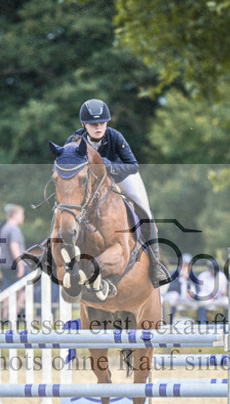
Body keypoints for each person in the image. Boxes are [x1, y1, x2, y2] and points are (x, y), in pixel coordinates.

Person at [67, 98, 170, 285]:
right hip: (90, 183)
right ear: (84, 125)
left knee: (145, 210)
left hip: (120, 177)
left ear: (107, 122)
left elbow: (132, 166)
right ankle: (55, 248)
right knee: (65, 206)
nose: (98, 127)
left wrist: (109, 166)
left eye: (102, 123)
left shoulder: (115, 136)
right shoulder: (75, 140)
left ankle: (156, 265)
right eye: (93, 124)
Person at [0, 203, 27, 289]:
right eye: (21, 214)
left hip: (5, 265)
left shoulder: (4, 228)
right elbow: (14, 247)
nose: (23, 217)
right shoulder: (14, 229)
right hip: (14, 266)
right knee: (24, 291)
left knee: (8, 290)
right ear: (14, 215)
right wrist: (21, 265)